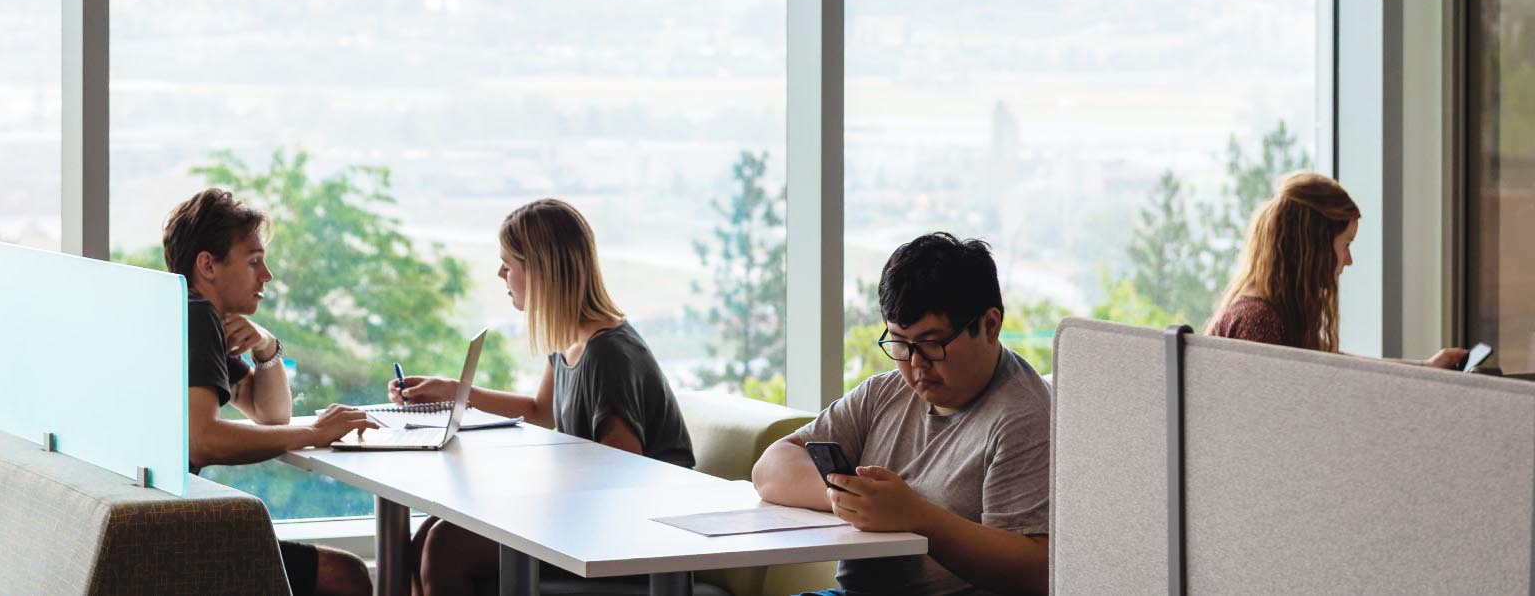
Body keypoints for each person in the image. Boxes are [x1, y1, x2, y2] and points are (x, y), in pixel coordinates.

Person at [388, 198, 695, 595]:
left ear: (542, 271)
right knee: (430, 533)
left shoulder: (610, 355)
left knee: (446, 545)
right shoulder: (570, 339)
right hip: (592, 520)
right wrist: (454, 391)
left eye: (508, 263)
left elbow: (622, 477)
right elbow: (539, 411)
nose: (501, 274)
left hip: (638, 536)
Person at [752, 232, 1050, 596]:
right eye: (899, 343)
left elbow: (1036, 572)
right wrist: (850, 497)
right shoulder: (886, 392)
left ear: (990, 326)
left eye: (931, 343)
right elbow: (770, 468)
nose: (915, 364)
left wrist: (916, 517)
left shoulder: (1025, 416)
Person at [164, 188, 376, 596]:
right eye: (254, 261)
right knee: (346, 577)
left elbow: (270, 413)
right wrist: (314, 434)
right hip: (171, 540)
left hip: (161, 523)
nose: (267, 276)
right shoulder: (197, 316)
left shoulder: (183, 310)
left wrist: (267, 347)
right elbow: (204, 440)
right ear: (208, 265)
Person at [1206, 171, 1467, 368]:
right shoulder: (1259, 321)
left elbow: (1337, 366)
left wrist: (1426, 368)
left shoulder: (1270, 311)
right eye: (1346, 245)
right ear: (1315, 247)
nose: (1349, 260)